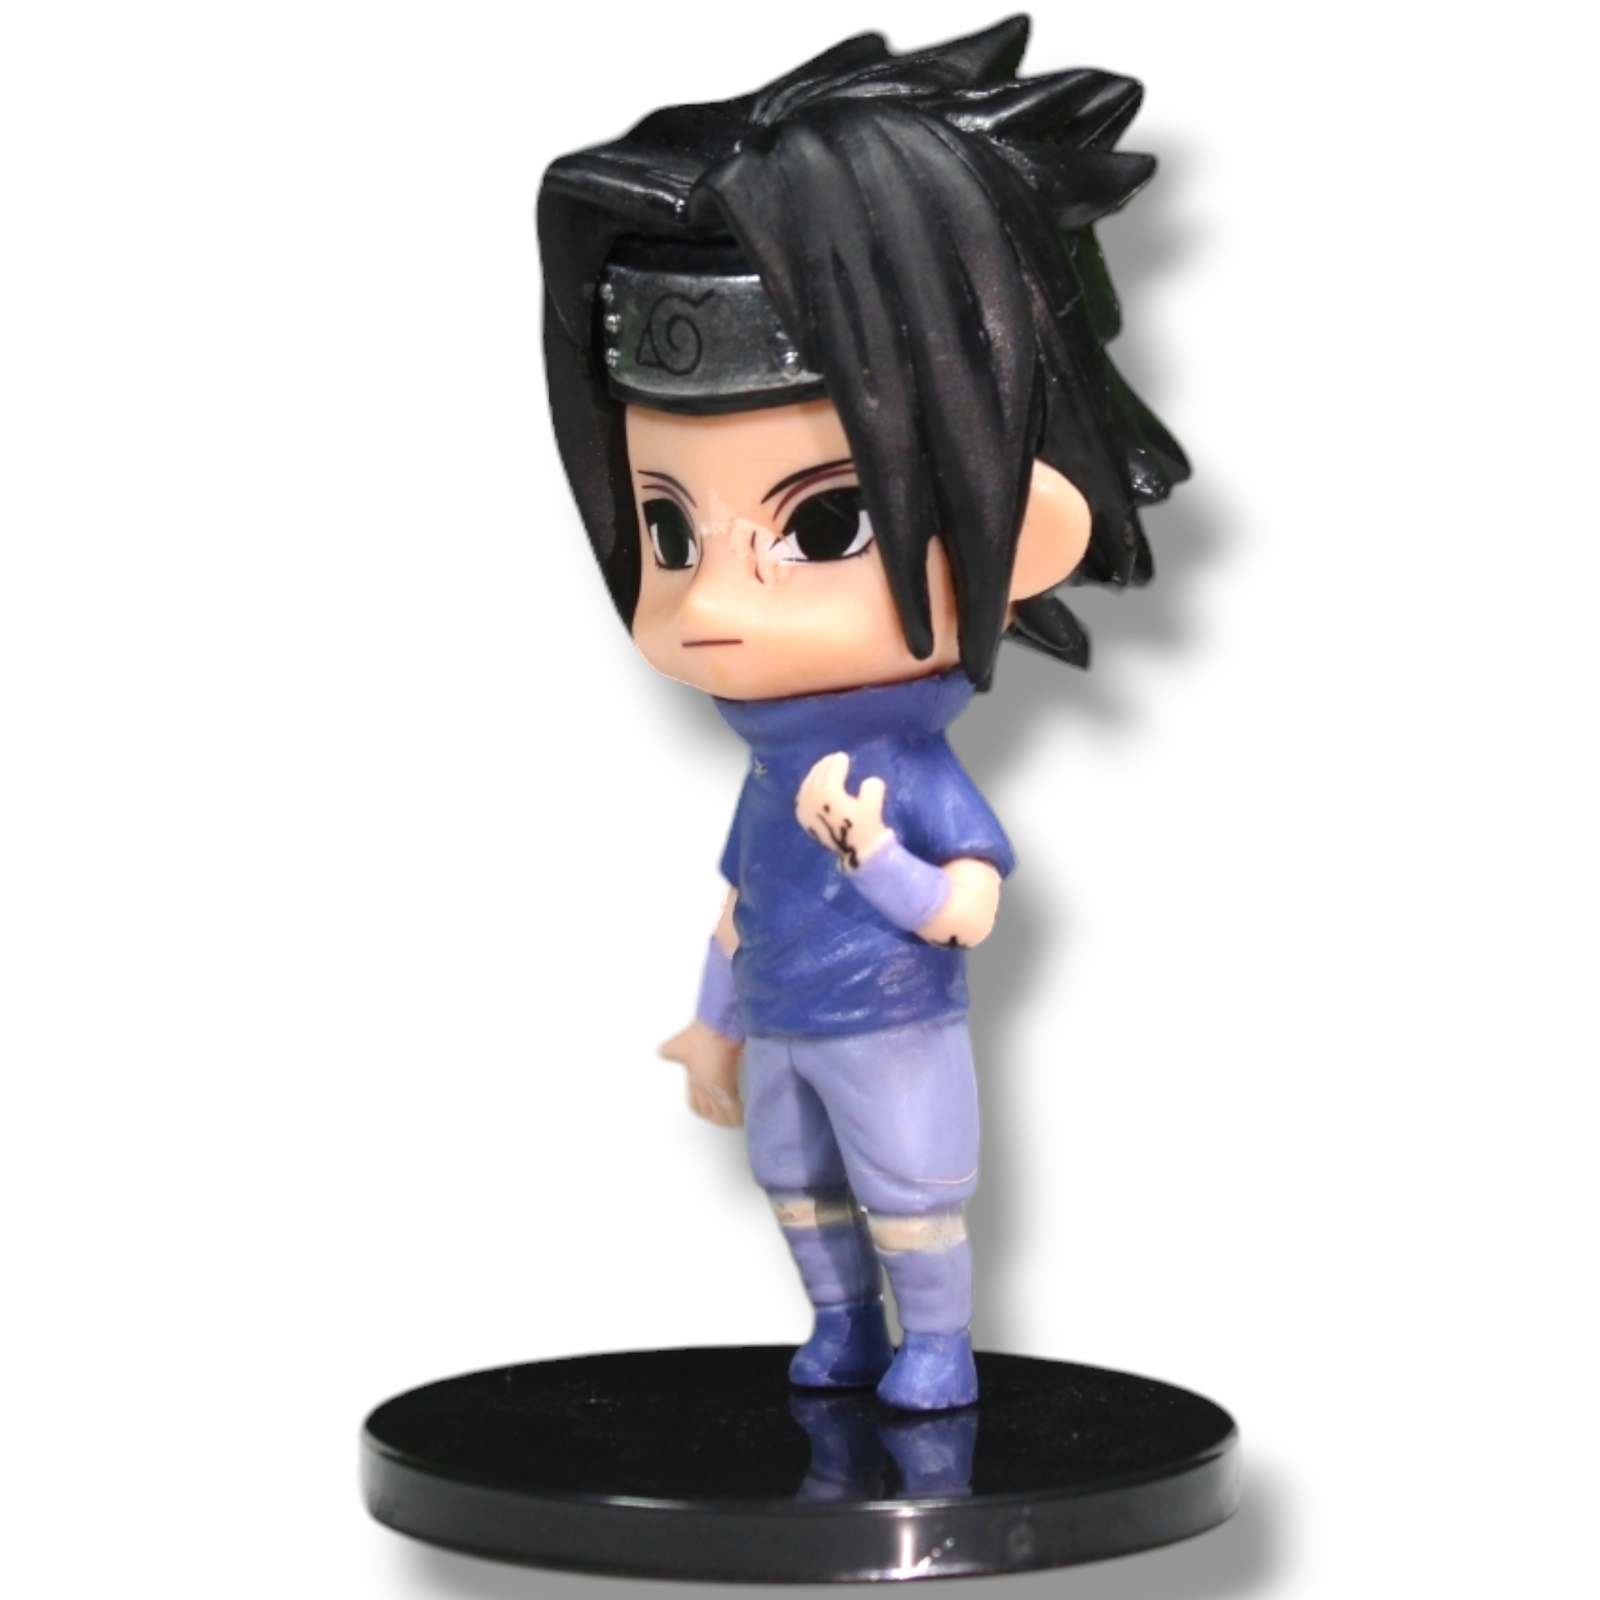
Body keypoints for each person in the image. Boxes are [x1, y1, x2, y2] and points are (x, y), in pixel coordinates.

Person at [536, 15, 1187, 1410]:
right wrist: (711, 1020)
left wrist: (872, 856)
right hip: (782, 1022)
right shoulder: (772, 774)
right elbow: (737, 904)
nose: (715, 599)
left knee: (909, 1191)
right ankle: (840, 1328)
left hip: (890, 1025)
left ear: (1027, 529)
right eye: (669, 530)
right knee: (795, 1183)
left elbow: (969, 911)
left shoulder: (899, 764)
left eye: (822, 523)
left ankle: (934, 1346)